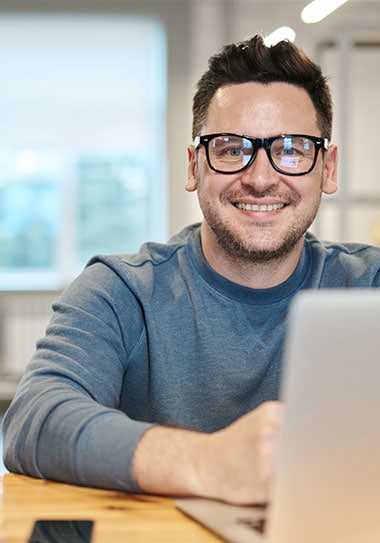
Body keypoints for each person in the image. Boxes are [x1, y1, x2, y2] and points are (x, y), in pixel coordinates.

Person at [2, 34, 380, 506]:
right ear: (193, 166)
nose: (261, 178)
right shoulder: (122, 292)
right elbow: (35, 421)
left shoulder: (369, 286)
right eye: (229, 149)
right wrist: (208, 462)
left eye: (291, 149)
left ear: (327, 167)